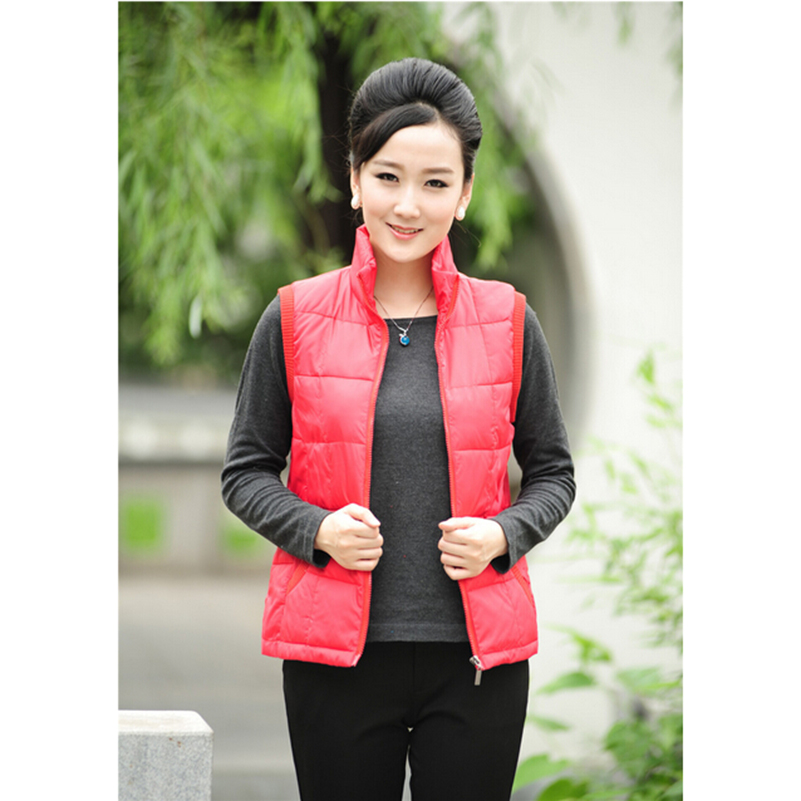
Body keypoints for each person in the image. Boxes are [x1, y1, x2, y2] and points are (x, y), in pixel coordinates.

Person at [222, 57, 576, 801]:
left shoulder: (509, 319)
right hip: (335, 660)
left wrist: (503, 534)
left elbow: (552, 473)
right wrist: (317, 528)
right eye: (387, 176)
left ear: (465, 193)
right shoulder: (294, 317)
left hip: (477, 662)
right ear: (355, 180)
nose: (408, 205)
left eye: (435, 183)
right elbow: (246, 471)